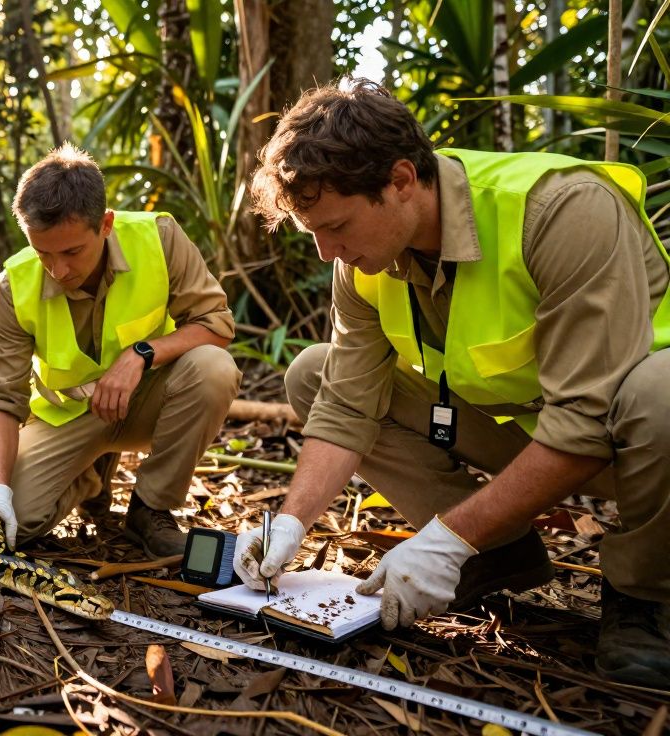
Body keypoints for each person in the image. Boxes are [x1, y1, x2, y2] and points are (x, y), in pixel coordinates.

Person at [236, 79, 670, 689]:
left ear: (402, 180)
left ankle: (647, 598)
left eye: (336, 226)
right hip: (525, 428)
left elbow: (586, 418)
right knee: (315, 370)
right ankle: (497, 554)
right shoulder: (360, 261)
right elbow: (344, 404)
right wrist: (291, 522)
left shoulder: (562, 209)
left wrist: (447, 539)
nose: (328, 252)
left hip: (635, 440)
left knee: (664, 393)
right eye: (314, 233)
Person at [0, 144, 242, 559]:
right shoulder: (13, 286)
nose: (58, 270)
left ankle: (152, 509)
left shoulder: (159, 237)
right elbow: (2, 397)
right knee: (12, 527)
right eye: (44, 254)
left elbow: (216, 324)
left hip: (147, 399)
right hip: (71, 417)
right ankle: (89, 475)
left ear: (105, 224)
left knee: (214, 368)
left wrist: (141, 353)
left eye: (72, 251)